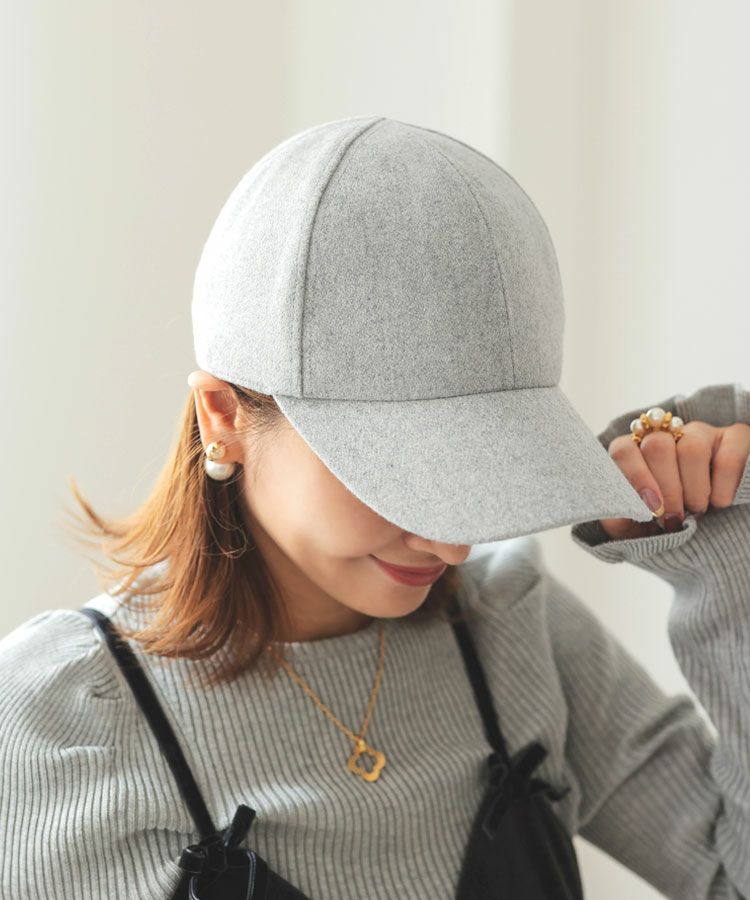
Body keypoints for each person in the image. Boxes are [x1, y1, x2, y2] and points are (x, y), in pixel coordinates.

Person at [1, 114, 750, 899]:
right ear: (223, 416)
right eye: (398, 472)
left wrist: (719, 549)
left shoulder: (512, 628)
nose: (453, 546)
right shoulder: (60, 724)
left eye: (484, 465)